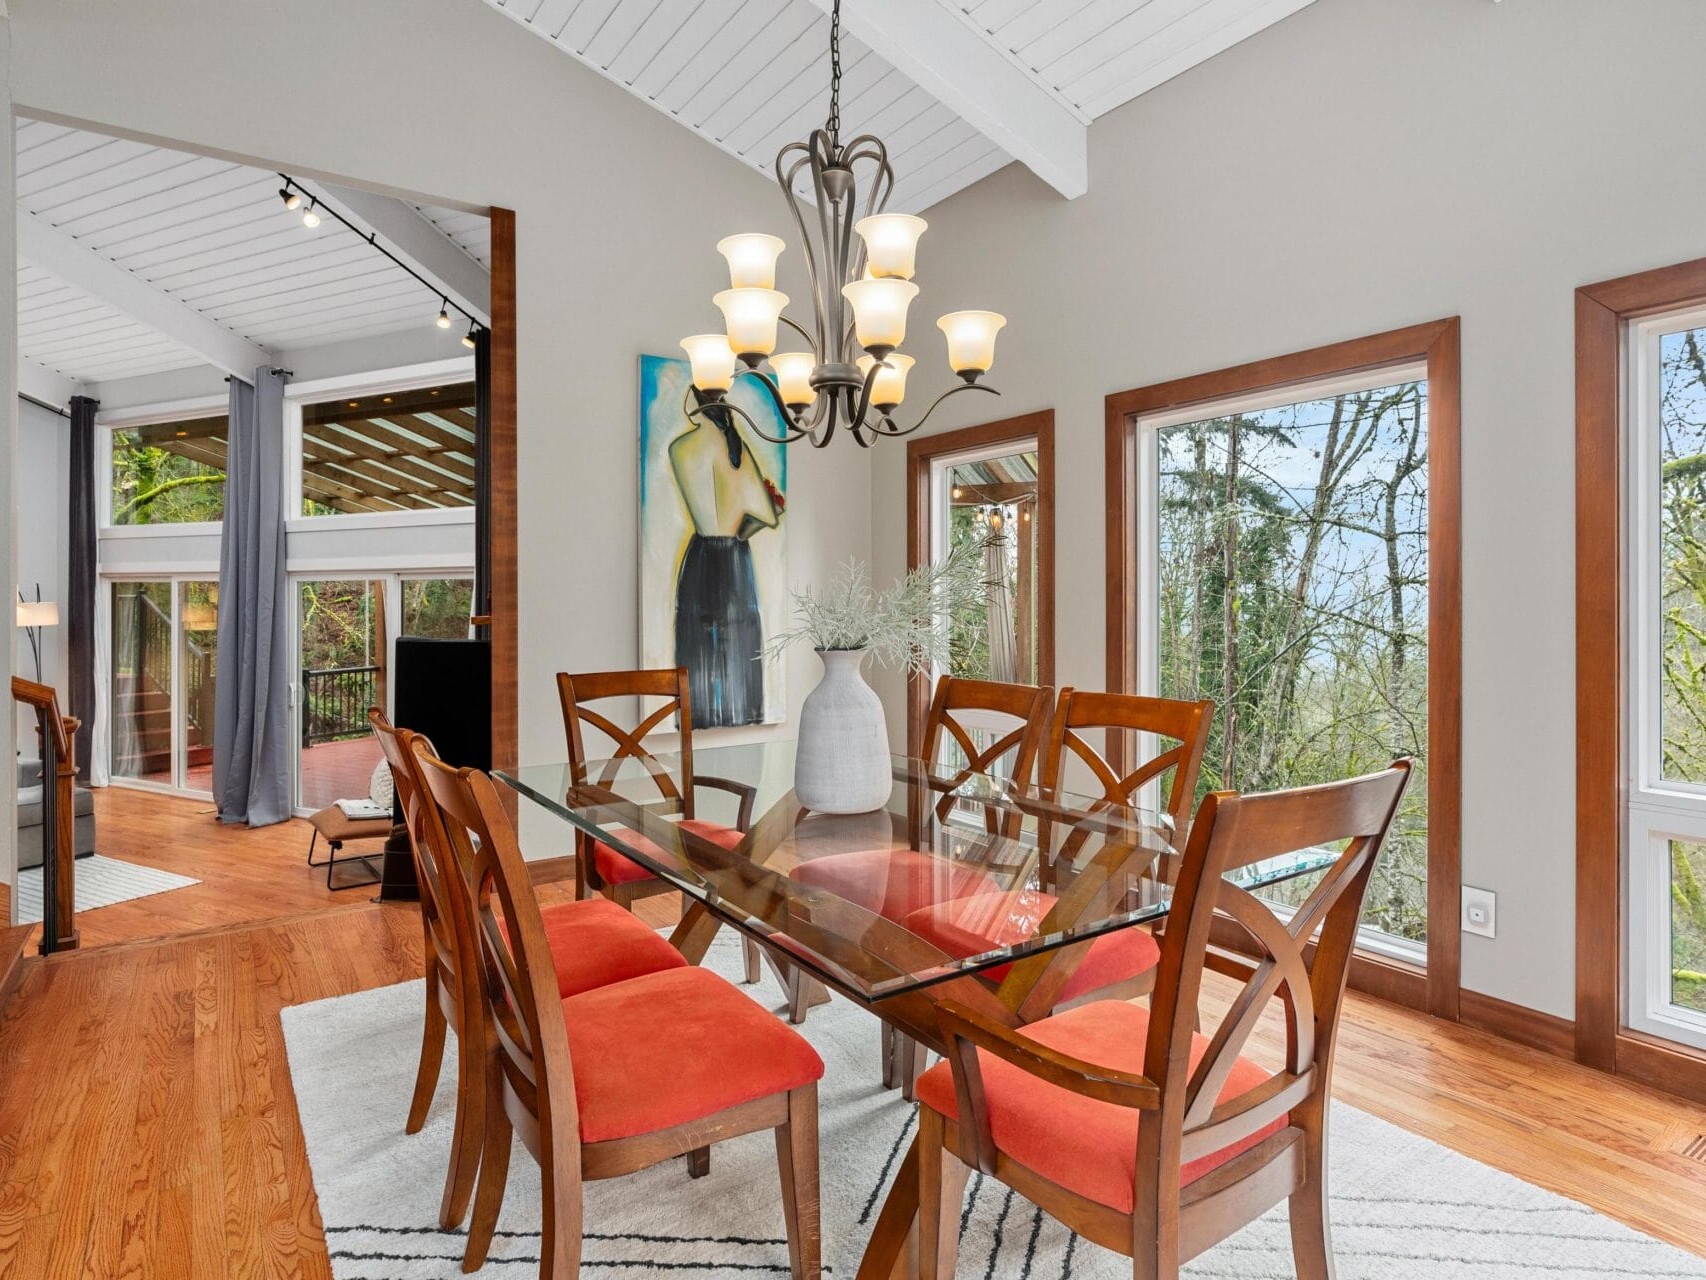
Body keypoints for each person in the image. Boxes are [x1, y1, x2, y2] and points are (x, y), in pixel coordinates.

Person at [667, 389, 784, 727]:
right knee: (741, 649)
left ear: (696, 405)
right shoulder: (738, 452)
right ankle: (744, 722)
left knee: (696, 651)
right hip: (734, 557)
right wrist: (739, 527)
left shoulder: (680, 449)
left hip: (700, 555)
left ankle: (696, 722)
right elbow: (767, 515)